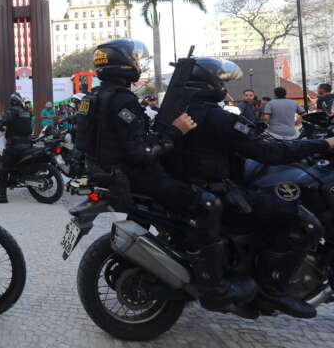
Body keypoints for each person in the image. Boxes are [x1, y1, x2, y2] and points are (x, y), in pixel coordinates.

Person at [72, 39, 255, 310]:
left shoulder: (93, 97)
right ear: (124, 65)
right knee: (207, 204)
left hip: (105, 174)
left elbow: (88, 142)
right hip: (133, 176)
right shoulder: (122, 99)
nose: (137, 64)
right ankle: (213, 284)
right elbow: (141, 152)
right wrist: (176, 130)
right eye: (134, 60)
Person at [164, 57, 334, 318]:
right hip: (217, 192)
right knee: (297, 219)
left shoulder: (177, 113)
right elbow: (269, 152)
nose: (224, 86)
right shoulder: (220, 118)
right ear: (211, 84)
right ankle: (271, 288)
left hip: (192, 188)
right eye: (221, 81)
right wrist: (323, 145)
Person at [0, 91, 32, 204]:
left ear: (12, 102)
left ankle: (2, 196)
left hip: (16, 145)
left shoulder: (11, 111)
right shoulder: (26, 112)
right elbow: (19, 125)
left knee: (2, 168)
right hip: (28, 143)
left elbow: (0, 122)